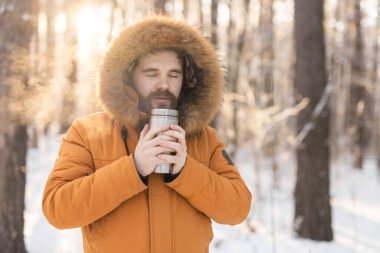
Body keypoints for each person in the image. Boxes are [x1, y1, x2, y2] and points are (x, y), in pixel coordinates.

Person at [42, 15, 252, 253]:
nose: (164, 84)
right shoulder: (88, 133)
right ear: (128, 76)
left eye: (174, 74)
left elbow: (238, 208)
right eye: (151, 73)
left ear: (187, 79)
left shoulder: (205, 138)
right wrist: (133, 169)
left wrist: (187, 170)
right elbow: (57, 210)